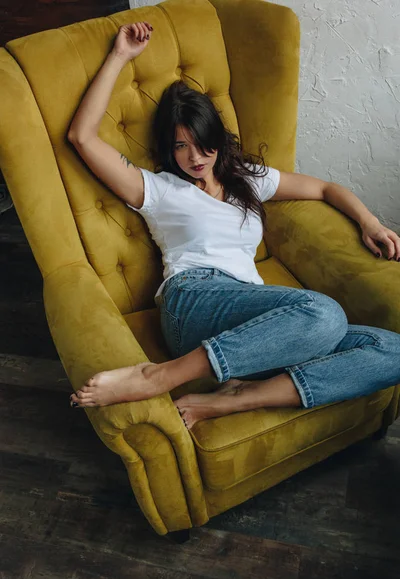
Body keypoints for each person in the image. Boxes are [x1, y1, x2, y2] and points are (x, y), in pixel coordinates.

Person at [68, 22, 400, 430]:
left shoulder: (248, 179)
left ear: (217, 138)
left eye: (202, 141)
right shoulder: (158, 189)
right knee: (323, 313)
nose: (195, 157)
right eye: (180, 146)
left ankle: (237, 397)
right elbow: (82, 137)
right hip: (193, 300)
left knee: (390, 349)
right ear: (168, 150)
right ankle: (159, 376)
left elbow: (326, 188)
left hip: (255, 324)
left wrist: (369, 222)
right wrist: (120, 56)